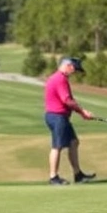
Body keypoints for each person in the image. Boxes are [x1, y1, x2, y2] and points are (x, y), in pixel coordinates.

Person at [44, 57, 97, 186]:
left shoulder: (59, 78)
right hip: (57, 117)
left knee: (73, 142)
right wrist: (83, 112)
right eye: (74, 69)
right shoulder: (60, 79)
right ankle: (53, 177)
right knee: (57, 146)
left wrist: (81, 113)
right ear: (68, 65)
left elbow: (69, 101)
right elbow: (67, 100)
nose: (74, 72)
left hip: (59, 116)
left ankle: (78, 174)